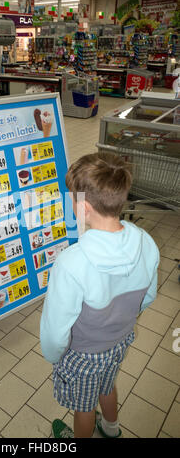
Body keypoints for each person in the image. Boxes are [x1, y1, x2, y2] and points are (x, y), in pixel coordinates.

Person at [40, 152, 159, 439]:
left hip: (83, 354)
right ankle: (111, 429)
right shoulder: (146, 241)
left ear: (83, 208)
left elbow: (56, 332)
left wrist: (55, 356)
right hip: (119, 342)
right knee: (108, 385)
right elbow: (148, 297)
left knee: (83, 409)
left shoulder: (71, 263)